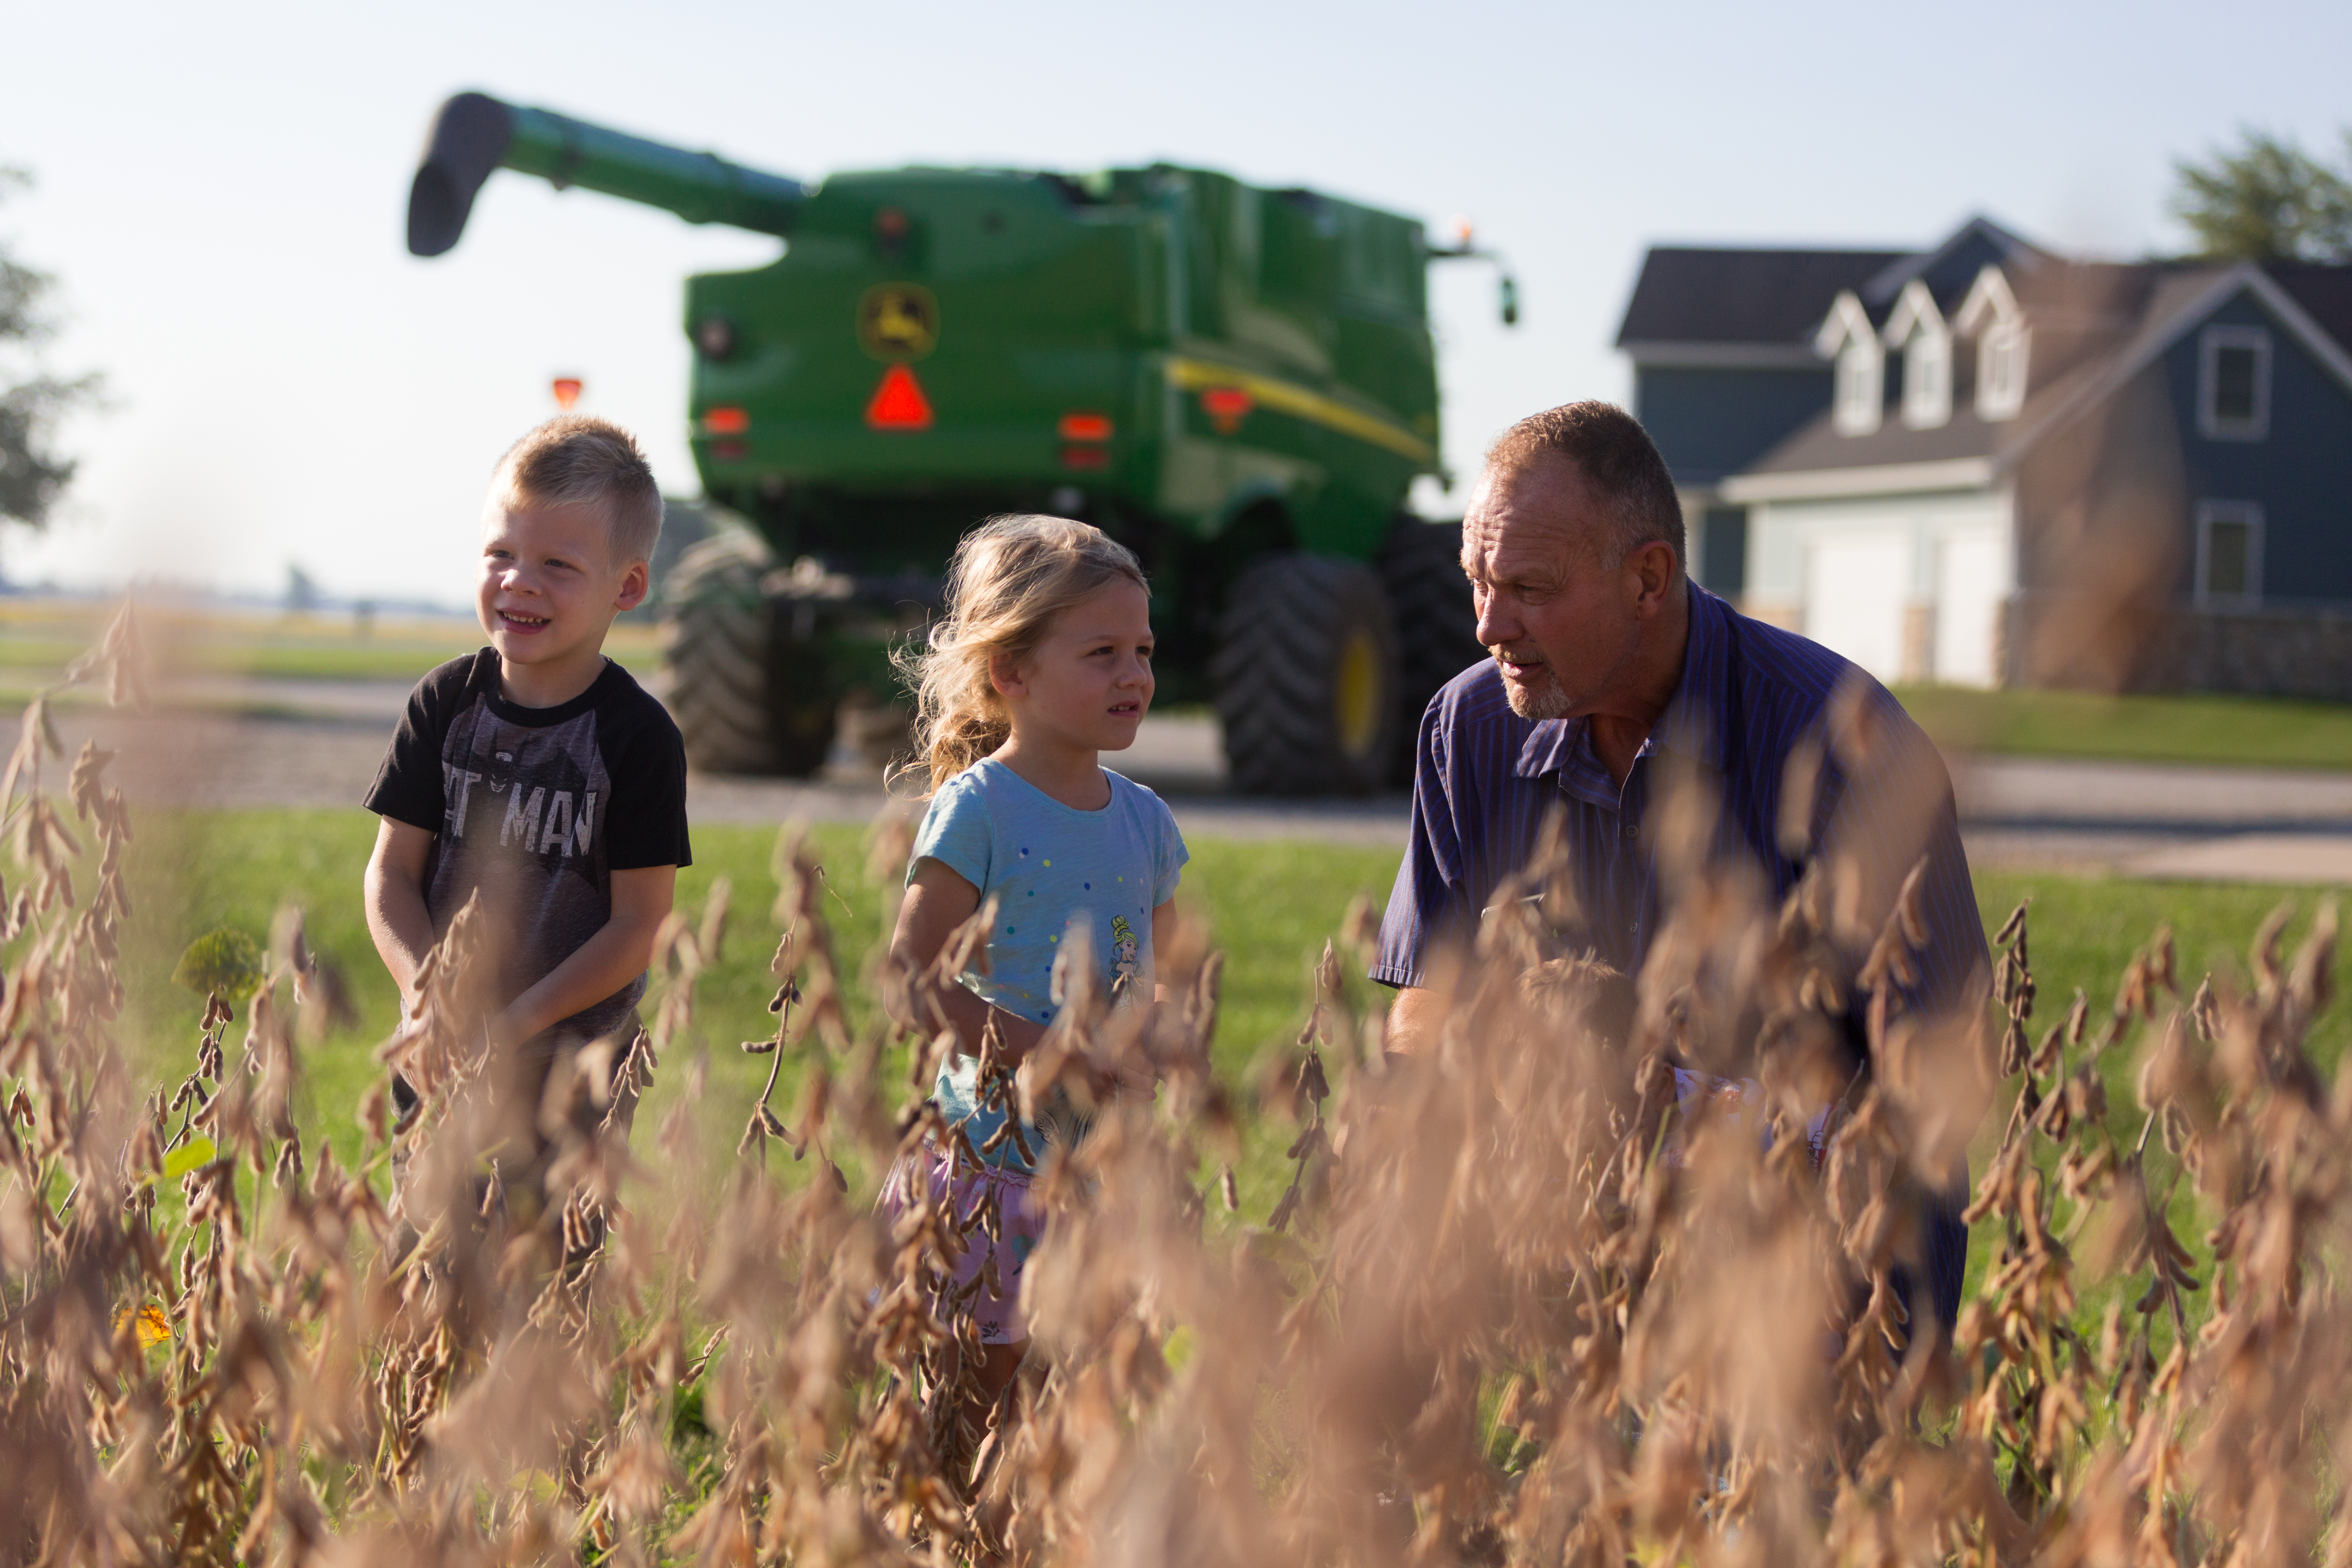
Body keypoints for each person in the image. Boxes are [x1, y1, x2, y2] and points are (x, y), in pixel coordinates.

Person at [1372, 401, 1987, 1330]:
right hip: (1546, 1275)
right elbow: (1422, 1002)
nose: (1487, 625)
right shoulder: (1467, 731)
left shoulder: (1844, 749)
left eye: (1529, 589)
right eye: (1476, 582)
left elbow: (1935, 1076)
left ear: (1647, 579)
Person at [881, 514, 1188, 1411]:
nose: (1134, 673)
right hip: (990, 1164)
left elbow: (1163, 978)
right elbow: (912, 980)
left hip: (1102, 1166)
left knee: (1076, 1404)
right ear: (1010, 673)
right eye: (1102, 652)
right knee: (983, 1397)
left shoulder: (1147, 822)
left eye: (1143, 649)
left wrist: (1163, 1043)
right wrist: (1046, 1051)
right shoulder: (980, 809)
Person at [363, 415, 690, 1230]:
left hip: (570, 1075)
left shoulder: (637, 738)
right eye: (500, 555)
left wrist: (511, 1026)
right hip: (436, 1055)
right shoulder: (445, 703)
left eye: (558, 565)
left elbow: (639, 927)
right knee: (420, 1276)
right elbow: (390, 875)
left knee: (541, 1303)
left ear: (628, 587)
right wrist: (425, 996)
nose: (519, 582)